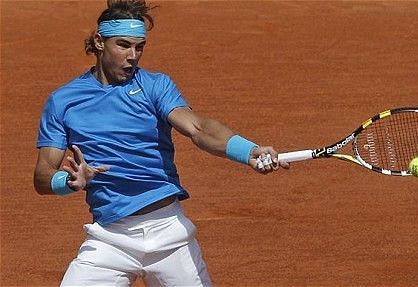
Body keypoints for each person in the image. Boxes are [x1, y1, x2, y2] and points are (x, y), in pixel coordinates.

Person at [33, 0, 289, 286]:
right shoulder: (63, 101)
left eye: (139, 47)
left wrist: (248, 150)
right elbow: (43, 175)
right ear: (99, 42)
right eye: (123, 45)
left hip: (170, 233)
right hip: (109, 237)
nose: (133, 56)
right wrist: (68, 181)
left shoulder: (155, 86)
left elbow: (197, 127)